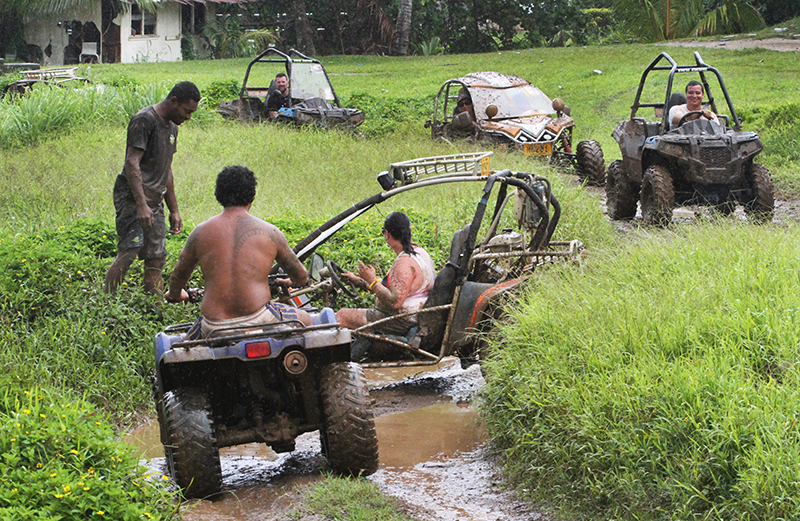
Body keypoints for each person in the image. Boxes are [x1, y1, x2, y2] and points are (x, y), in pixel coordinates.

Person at [166, 165, 312, 339]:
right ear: (251, 196)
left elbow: (178, 275)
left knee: (181, 350)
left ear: (218, 195)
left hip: (213, 326)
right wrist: (293, 281)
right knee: (306, 320)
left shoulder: (199, 233)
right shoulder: (271, 233)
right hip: (260, 318)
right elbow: (302, 277)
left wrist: (175, 294)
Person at [104, 81, 200, 295]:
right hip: (132, 198)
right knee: (130, 250)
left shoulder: (173, 127)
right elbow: (131, 162)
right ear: (174, 101)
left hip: (155, 200)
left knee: (157, 257)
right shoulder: (144, 120)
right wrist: (141, 205)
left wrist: (174, 210)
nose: (188, 117)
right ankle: (106, 303)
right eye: (187, 111)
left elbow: (166, 169)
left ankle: (154, 308)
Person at [336, 212, 436, 335]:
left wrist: (372, 281)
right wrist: (361, 281)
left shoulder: (404, 263)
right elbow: (396, 288)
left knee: (342, 316)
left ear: (387, 234)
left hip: (402, 320)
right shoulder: (420, 253)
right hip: (416, 317)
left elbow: (394, 302)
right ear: (410, 231)